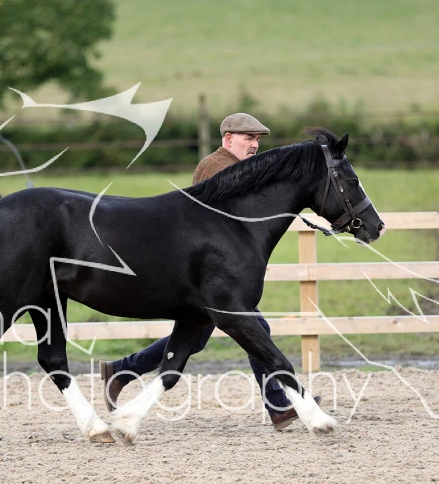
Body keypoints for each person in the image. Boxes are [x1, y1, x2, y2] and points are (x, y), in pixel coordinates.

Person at [100, 112, 320, 431]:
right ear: (228, 139)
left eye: (257, 140)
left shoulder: (241, 168)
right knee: (256, 329)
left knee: (199, 339)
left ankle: (122, 371)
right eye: (248, 138)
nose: (254, 145)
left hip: (218, 274)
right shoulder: (215, 166)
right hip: (207, 274)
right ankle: (278, 406)